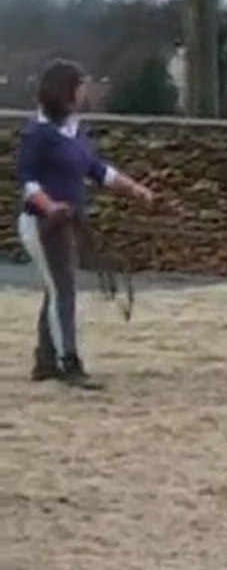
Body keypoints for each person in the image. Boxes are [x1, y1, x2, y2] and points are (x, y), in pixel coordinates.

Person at [15, 59, 157, 389]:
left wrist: (134, 189)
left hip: (68, 221)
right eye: (80, 86)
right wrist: (50, 207)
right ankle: (68, 361)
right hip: (43, 224)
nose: (85, 92)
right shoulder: (37, 134)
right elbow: (29, 183)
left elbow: (96, 169)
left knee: (57, 288)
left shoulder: (74, 129)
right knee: (63, 289)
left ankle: (46, 360)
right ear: (65, 90)